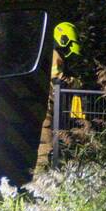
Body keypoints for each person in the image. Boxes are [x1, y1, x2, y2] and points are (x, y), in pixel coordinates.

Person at [34, 21, 81, 173]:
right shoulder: (55, 56)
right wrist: (75, 82)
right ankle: (39, 186)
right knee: (45, 149)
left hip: (49, 110)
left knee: (49, 149)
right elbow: (57, 81)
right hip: (47, 111)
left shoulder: (54, 54)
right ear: (63, 40)